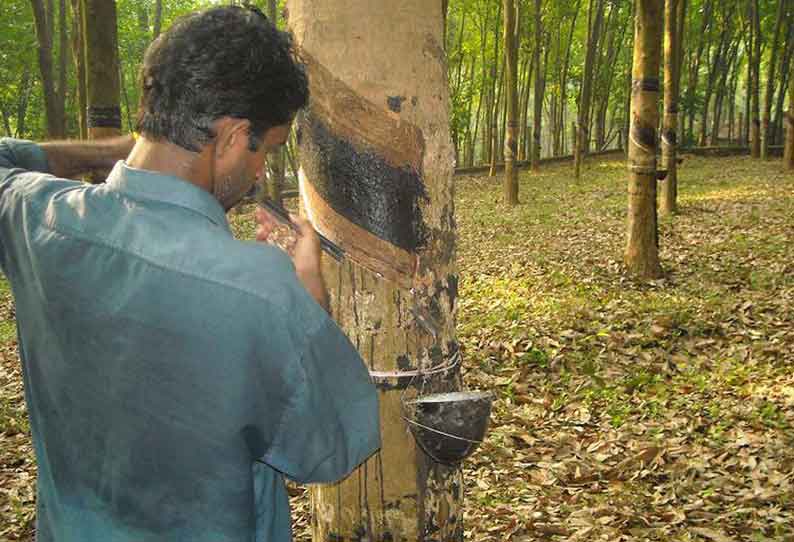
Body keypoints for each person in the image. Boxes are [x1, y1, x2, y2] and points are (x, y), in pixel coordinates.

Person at [0, 6, 380, 542]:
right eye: (265, 151)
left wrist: (129, 148)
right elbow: (334, 446)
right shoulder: (262, 288)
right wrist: (310, 298)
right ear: (231, 137)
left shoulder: (36, 217)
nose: (258, 174)